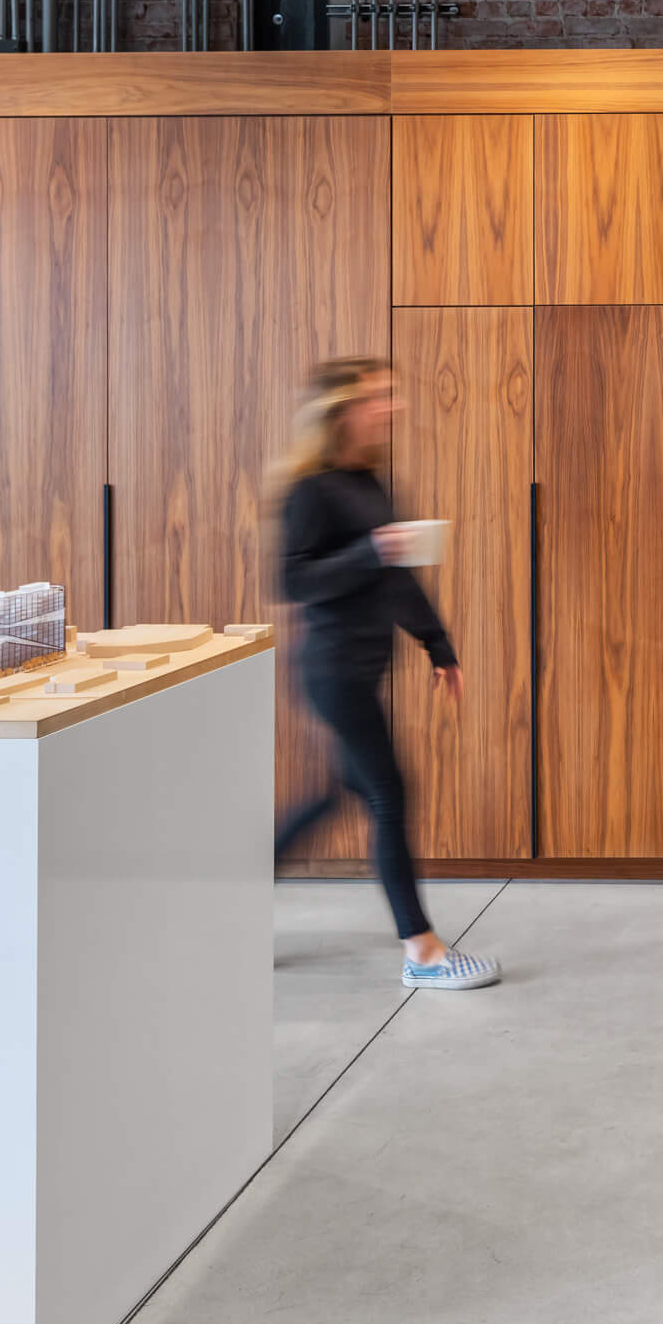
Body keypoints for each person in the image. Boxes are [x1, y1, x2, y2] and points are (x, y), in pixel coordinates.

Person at [269, 356, 498, 991]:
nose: (394, 407)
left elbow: (397, 575)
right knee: (389, 794)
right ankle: (423, 952)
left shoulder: (370, 481)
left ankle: (225, 902)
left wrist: (437, 645)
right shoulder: (310, 489)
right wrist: (371, 550)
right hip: (332, 668)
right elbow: (293, 580)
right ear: (343, 412)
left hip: (362, 665)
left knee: (341, 790)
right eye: (381, 398)